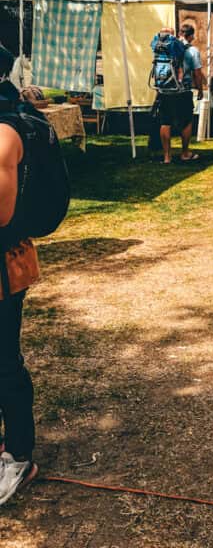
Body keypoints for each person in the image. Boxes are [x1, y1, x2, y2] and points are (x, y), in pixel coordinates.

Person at [0, 44, 40, 504]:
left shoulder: (6, 131)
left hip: (3, 265)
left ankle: (20, 456)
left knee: (3, 362)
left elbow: (2, 212)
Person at [157, 24, 203, 164]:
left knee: (165, 122)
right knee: (186, 120)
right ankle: (185, 153)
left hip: (164, 89)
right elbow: (197, 73)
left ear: (179, 34)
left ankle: (167, 156)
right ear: (191, 36)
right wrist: (200, 89)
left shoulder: (165, 48)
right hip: (183, 90)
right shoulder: (192, 51)